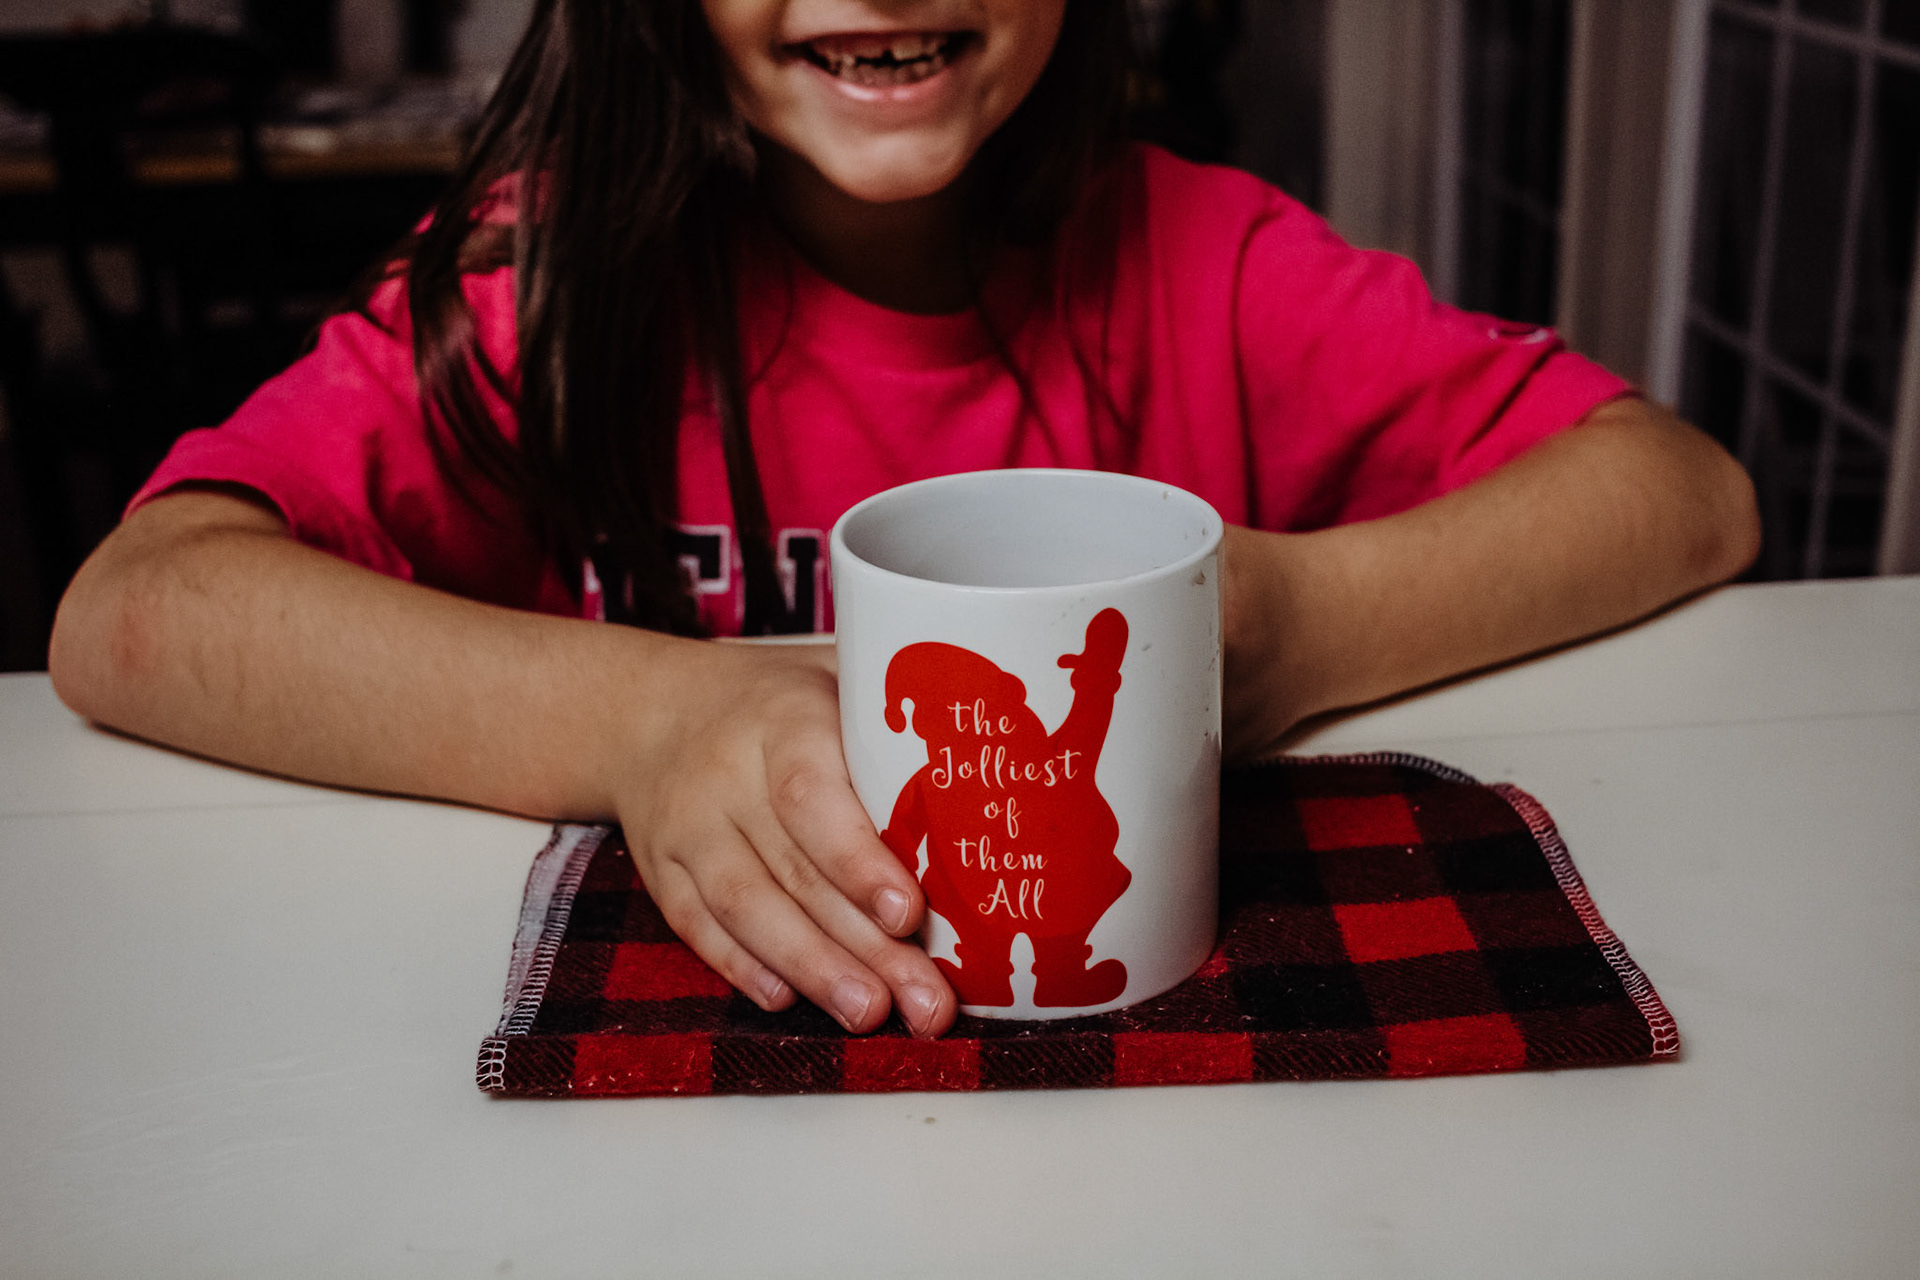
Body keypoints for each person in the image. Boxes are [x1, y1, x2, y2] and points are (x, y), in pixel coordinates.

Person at [48, 0, 1759, 1043]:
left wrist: (1290, 625)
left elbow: (1682, 492)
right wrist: (648, 718)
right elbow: (137, 613)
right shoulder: (545, 296)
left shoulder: (1210, 260)